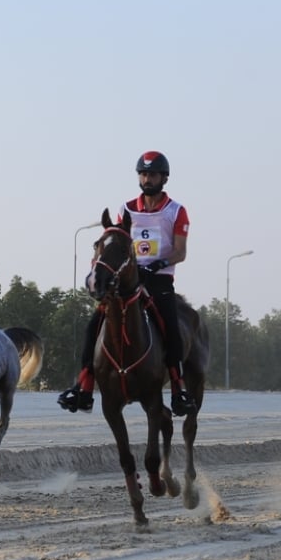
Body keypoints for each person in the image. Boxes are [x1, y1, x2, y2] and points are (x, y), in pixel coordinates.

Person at [58, 150, 196, 416]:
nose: (147, 179)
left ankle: (178, 388)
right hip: (127, 280)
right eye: (143, 174)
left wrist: (155, 265)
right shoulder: (127, 209)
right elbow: (115, 244)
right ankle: (84, 385)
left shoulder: (176, 211)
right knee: (94, 326)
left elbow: (180, 251)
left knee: (170, 328)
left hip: (159, 281)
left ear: (163, 178)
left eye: (152, 174)